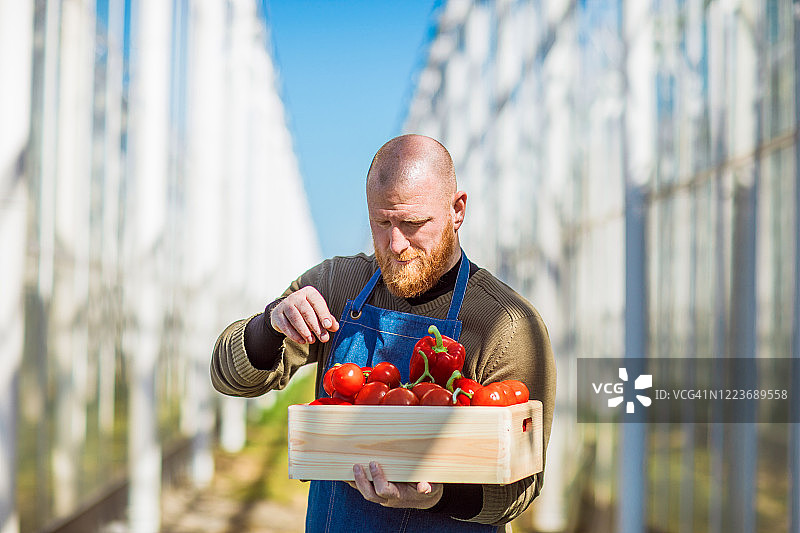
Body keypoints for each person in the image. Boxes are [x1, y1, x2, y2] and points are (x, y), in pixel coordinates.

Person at [211, 134, 556, 531]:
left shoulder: (506, 324)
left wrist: (438, 495)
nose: (395, 244)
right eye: (382, 222)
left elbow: (522, 485)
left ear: (457, 210)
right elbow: (228, 377)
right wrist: (272, 322)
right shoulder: (336, 284)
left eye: (413, 223)